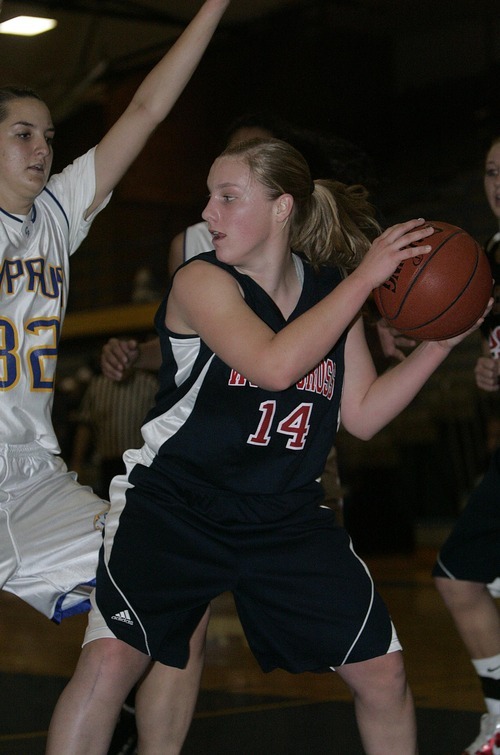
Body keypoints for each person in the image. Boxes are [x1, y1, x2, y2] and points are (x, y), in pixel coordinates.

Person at [46, 136, 489, 755]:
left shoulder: (330, 291)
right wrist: (364, 281)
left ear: (283, 209)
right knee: (109, 663)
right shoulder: (201, 282)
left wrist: (441, 345)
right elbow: (276, 366)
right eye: (209, 198)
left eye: (229, 198)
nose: (209, 213)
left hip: (284, 514)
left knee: (384, 673)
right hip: (176, 507)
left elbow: (360, 415)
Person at [0, 0, 231, 752]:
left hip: (32, 479)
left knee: (178, 591)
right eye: (21, 134)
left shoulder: (59, 216)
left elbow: (149, 106)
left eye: (49, 135)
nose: (42, 148)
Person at [433, 134, 500, 755]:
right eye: (490, 171)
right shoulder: (492, 254)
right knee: (460, 578)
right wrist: (487, 371)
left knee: (461, 578)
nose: (498, 183)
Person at [70, 358, 159, 498]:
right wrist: (77, 461)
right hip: (108, 463)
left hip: (141, 463)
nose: (121, 366)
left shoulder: (149, 385)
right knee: (111, 506)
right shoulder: (98, 385)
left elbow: (160, 425)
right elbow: (85, 426)